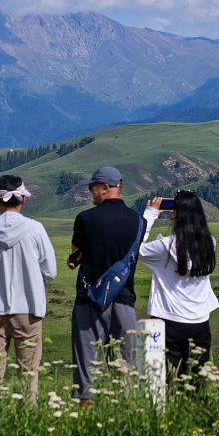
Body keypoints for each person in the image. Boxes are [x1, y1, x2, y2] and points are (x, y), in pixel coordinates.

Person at [0, 175, 57, 404]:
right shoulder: (35, 229)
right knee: (29, 373)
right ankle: (29, 424)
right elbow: (50, 271)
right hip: (28, 307)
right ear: (23, 200)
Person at [69, 165, 145, 405]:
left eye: (93, 187)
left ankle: (85, 420)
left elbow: (76, 252)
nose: (90, 192)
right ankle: (128, 417)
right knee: (129, 366)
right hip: (124, 298)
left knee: (86, 367)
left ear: (105, 188)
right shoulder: (139, 221)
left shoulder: (85, 218)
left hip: (89, 299)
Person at [140, 192, 219, 381]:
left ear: (175, 213)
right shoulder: (210, 243)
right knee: (197, 378)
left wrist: (150, 214)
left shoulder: (165, 247)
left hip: (169, 319)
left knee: (167, 378)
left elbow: (136, 247)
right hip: (200, 321)